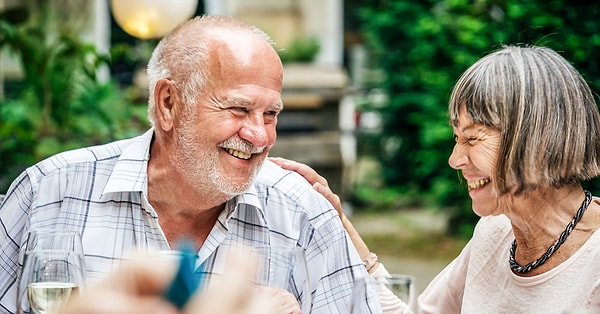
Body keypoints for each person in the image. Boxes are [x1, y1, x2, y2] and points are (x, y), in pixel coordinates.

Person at [0, 15, 380, 313]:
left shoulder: (303, 214)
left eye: (270, 114)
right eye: (239, 108)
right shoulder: (48, 194)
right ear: (168, 104)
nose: (260, 136)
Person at [273, 45, 600, 313]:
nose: (455, 160)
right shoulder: (495, 231)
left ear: (538, 139)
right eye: (456, 137)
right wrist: (341, 224)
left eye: (472, 139)